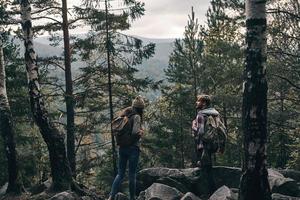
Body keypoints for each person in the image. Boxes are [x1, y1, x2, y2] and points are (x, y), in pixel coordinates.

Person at [108, 95, 145, 200]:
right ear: (140, 109)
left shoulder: (126, 115)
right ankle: (132, 198)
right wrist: (141, 133)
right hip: (133, 149)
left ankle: (111, 196)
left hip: (122, 148)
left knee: (120, 174)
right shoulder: (136, 116)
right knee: (132, 175)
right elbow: (135, 133)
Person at [192, 94, 222, 195]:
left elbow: (200, 132)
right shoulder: (215, 114)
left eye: (199, 101)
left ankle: (209, 193)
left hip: (203, 145)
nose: (197, 103)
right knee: (209, 168)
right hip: (213, 144)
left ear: (204, 103)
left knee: (205, 169)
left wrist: (193, 126)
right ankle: (214, 192)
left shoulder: (201, 114)